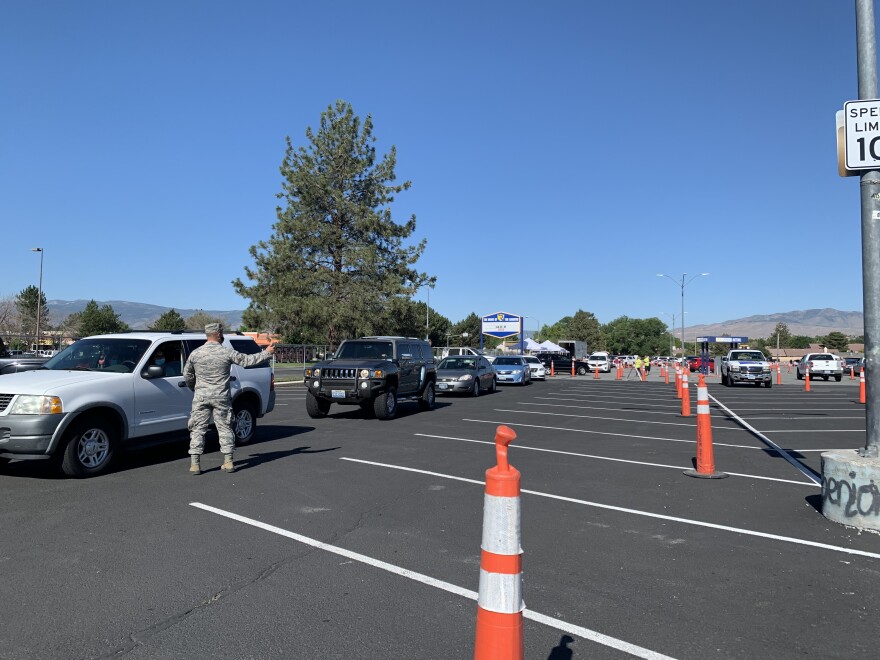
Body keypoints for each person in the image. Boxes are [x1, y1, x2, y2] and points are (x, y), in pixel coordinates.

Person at [183, 323, 275, 475]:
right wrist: (267, 352)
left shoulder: (195, 354)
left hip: (201, 397)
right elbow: (247, 361)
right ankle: (228, 461)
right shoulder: (226, 352)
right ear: (218, 334)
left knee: (198, 429)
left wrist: (196, 388)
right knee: (225, 427)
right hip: (221, 397)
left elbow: (187, 375)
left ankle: (195, 464)